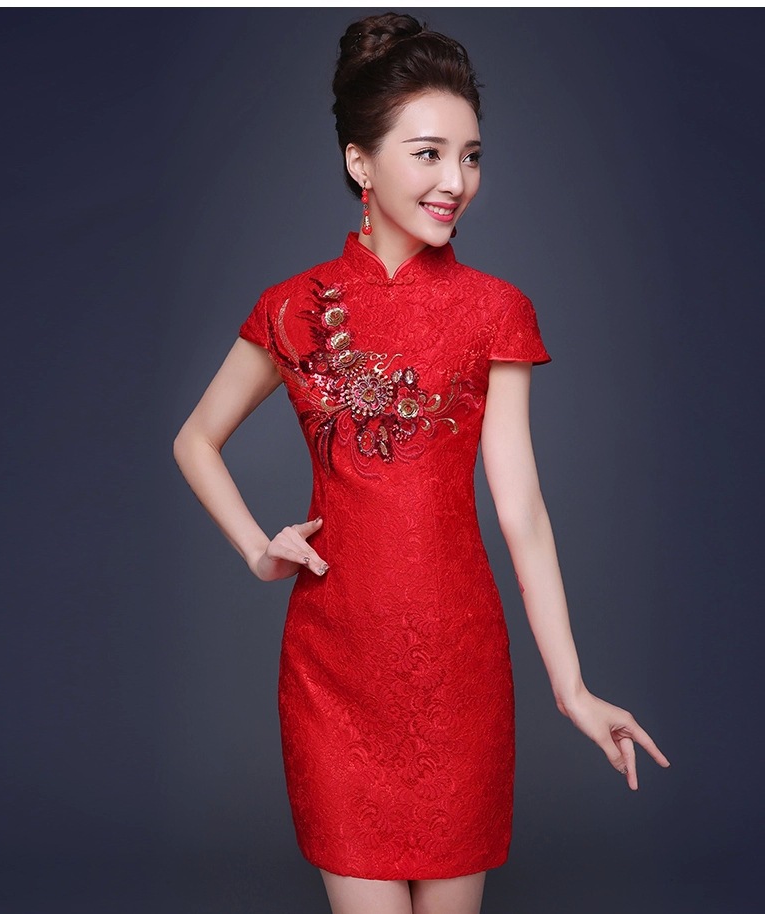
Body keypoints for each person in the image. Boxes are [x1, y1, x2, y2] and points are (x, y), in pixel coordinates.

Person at [172, 11, 670, 914]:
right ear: (360, 163)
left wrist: (572, 688)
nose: (456, 181)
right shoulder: (292, 308)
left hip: (458, 672)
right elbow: (195, 440)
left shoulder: (495, 310)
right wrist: (256, 548)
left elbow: (521, 508)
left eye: (471, 156)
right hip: (333, 673)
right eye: (429, 154)